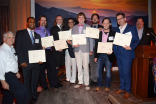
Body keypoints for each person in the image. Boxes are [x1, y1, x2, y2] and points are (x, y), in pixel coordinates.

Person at [15, 17, 43, 103]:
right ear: (27, 23)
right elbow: (18, 48)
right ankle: (27, 97)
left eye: (34, 22)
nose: (32, 23)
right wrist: (21, 61)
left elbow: (40, 49)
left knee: (35, 80)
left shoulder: (37, 36)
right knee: (26, 81)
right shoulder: (20, 33)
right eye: (30, 22)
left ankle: (34, 96)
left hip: (36, 63)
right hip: (25, 63)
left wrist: (41, 59)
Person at [113, 12, 140, 99]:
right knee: (121, 73)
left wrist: (131, 47)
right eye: (117, 19)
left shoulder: (131, 28)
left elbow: (137, 40)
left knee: (126, 73)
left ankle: (128, 90)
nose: (119, 20)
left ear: (125, 18)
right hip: (119, 55)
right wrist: (115, 52)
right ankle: (122, 88)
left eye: (120, 18)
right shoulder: (117, 29)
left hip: (127, 54)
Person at [0, 31, 28, 104]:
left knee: (8, 96)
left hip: (12, 75)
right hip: (7, 76)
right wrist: (3, 81)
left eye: (13, 37)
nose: (11, 39)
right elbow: (1, 67)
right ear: (4, 39)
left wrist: (16, 72)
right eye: (9, 37)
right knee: (22, 91)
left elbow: (12, 62)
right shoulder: (2, 51)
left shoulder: (12, 48)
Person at [35, 15, 61, 89]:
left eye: (45, 20)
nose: (44, 22)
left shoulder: (48, 30)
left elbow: (52, 41)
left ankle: (53, 83)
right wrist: (40, 46)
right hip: (41, 51)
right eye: (42, 20)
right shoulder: (36, 31)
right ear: (39, 21)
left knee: (52, 67)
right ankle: (44, 85)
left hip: (49, 51)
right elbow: (34, 42)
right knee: (42, 69)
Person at [72, 12, 93, 91]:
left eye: (82, 17)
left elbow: (90, 39)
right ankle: (80, 82)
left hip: (85, 50)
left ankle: (87, 83)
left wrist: (91, 49)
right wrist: (73, 45)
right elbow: (72, 39)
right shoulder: (74, 28)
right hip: (77, 50)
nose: (81, 19)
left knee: (86, 66)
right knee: (79, 66)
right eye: (79, 17)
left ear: (84, 19)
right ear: (77, 19)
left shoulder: (88, 27)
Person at [94, 18, 116, 92]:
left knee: (108, 72)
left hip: (109, 55)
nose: (106, 24)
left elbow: (116, 45)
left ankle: (107, 86)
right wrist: (95, 56)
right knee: (98, 72)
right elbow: (96, 45)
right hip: (100, 55)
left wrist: (113, 50)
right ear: (102, 24)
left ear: (110, 24)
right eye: (104, 23)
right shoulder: (99, 33)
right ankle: (99, 85)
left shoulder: (114, 33)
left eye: (107, 23)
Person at [50, 16, 66, 84]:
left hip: (62, 50)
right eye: (58, 19)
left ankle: (56, 80)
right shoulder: (53, 28)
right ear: (55, 20)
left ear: (62, 20)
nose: (59, 20)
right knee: (55, 67)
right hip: (56, 51)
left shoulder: (64, 29)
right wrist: (58, 47)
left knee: (59, 66)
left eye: (61, 19)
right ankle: (54, 82)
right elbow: (53, 40)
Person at [90, 13, 103, 87]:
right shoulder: (88, 28)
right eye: (93, 18)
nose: (94, 19)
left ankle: (98, 80)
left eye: (96, 18)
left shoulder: (102, 28)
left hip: (99, 49)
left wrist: (102, 31)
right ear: (91, 20)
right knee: (92, 65)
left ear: (98, 20)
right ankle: (92, 80)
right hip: (91, 49)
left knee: (99, 65)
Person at [65, 18, 77, 85]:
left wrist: (71, 43)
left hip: (74, 50)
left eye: (71, 22)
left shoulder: (76, 31)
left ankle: (73, 79)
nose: (70, 23)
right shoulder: (66, 32)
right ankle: (68, 78)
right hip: (67, 50)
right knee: (67, 64)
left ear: (74, 23)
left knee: (74, 65)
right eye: (69, 22)